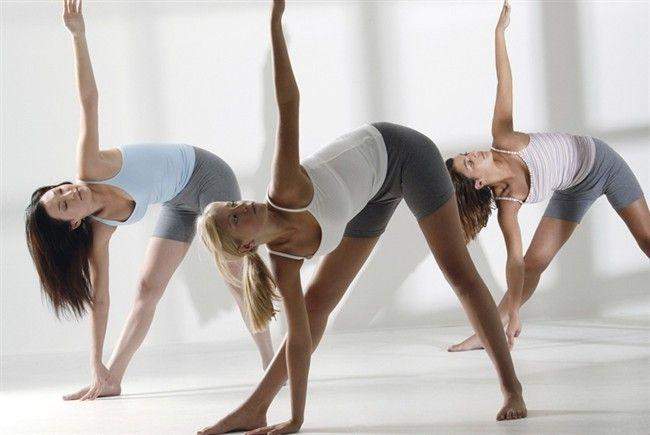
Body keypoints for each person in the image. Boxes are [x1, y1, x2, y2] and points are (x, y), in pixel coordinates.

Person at [197, 2, 527, 433]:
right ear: (247, 246)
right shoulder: (283, 261)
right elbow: (299, 338)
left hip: (403, 152)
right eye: (235, 219)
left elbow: (287, 103)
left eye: (233, 204)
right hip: (367, 196)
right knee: (315, 306)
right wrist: (296, 417)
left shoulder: (285, 189)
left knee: (458, 271)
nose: (241, 207)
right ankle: (256, 407)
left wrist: (275, 24)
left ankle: (512, 388)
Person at [24, 0, 275, 401]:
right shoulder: (100, 233)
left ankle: (270, 363)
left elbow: (89, 99)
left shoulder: (90, 166)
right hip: (177, 201)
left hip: (206, 174)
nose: (70, 193)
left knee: (232, 271)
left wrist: (78, 35)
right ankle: (112, 379)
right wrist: (95, 362)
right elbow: (100, 299)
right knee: (146, 288)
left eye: (61, 191)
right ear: (73, 223)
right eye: (65, 204)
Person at [446, 0, 649, 352]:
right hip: (574, 189)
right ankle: (490, 331)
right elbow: (515, 261)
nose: (473, 154)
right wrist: (515, 313)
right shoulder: (508, 203)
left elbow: (504, 81)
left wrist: (499, 34)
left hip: (603, 163)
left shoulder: (504, 139)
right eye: (469, 163)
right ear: (477, 183)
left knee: (647, 241)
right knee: (534, 263)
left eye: (467, 155)